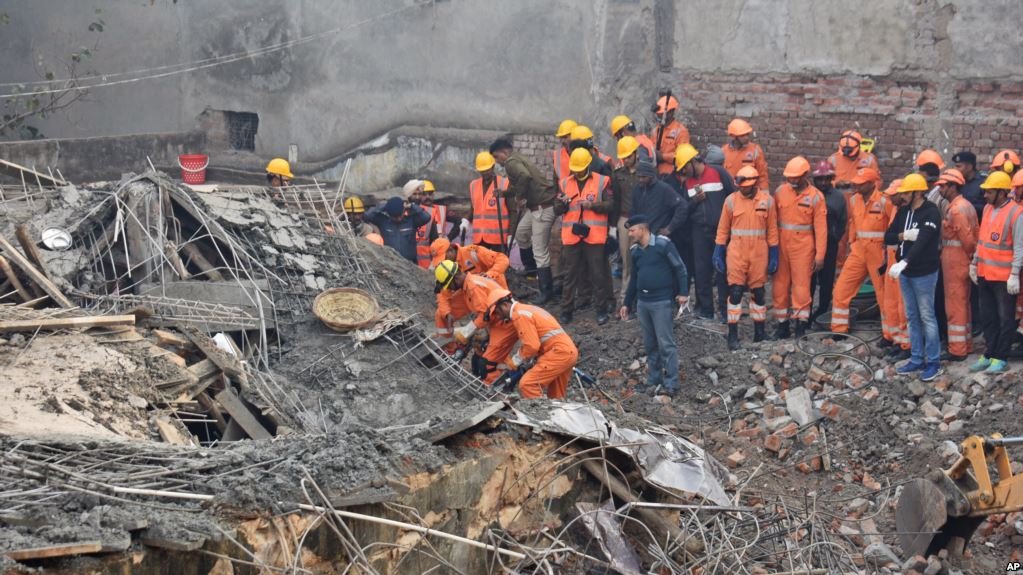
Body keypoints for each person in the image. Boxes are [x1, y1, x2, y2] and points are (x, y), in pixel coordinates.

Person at [619, 215, 689, 397]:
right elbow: (634, 278)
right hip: (643, 303)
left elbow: (680, 268)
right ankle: (654, 380)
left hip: (662, 302)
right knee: (650, 344)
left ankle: (672, 383)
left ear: (642, 229)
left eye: (632, 230)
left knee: (666, 344)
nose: (630, 234)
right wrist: (627, 303)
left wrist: (683, 293)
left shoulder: (663, 245)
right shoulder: (635, 251)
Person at [885, 174, 943, 381]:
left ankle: (934, 361)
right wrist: (903, 236)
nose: (903, 196)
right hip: (906, 273)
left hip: (924, 272)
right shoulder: (903, 212)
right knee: (912, 316)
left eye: (906, 193)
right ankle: (917, 358)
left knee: (927, 316)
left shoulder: (931, 212)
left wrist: (906, 260)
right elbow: (888, 236)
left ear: (917, 192)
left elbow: (924, 241)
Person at [715, 166, 779, 350]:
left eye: (746, 186)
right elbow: (723, 229)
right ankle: (732, 335)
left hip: (759, 252)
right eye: (740, 186)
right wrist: (719, 250)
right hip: (737, 251)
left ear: (754, 184)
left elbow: (772, 230)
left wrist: (774, 254)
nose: (742, 189)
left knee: (758, 293)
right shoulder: (731, 201)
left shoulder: (767, 202)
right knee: (734, 292)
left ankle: (759, 333)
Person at [671, 143, 734, 322]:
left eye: (685, 168)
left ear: (693, 162)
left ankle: (725, 310)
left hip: (721, 230)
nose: (683, 172)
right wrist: (695, 202)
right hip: (699, 231)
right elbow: (684, 209)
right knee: (701, 271)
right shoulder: (687, 183)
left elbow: (733, 196)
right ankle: (706, 309)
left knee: (723, 271)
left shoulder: (718, 173)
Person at [969, 171, 1023, 374]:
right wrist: (974, 263)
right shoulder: (988, 210)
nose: (985, 196)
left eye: (989, 192)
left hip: (1003, 278)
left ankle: (1001, 357)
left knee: (1005, 319)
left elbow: (1019, 247)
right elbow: (982, 241)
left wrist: (1014, 274)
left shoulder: (1016, 213)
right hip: (985, 274)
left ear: (1002, 192)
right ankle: (989, 353)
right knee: (988, 317)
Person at [490, 138, 556, 299]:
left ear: (504, 152)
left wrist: (520, 198)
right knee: (521, 233)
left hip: (543, 208)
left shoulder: (511, 163)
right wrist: (505, 193)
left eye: (497, 157)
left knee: (540, 250)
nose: (497, 163)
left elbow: (524, 177)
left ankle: (546, 291)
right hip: (535, 208)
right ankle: (531, 271)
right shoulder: (517, 159)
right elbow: (520, 181)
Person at [555, 148, 614, 325]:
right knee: (570, 275)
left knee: (597, 274)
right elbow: (557, 209)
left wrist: (593, 205)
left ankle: (601, 309)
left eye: (579, 168)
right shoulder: (565, 183)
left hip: (594, 236)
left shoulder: (602, 181)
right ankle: (566, 310)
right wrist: (562, 204)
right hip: (572, 236)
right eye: (574, 168)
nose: (576, 171)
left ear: (588, 165)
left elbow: (610, 205)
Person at [434, 261, 518, 384]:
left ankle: (497, 389)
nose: (450, 289)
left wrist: (466, 331)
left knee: (489, 361)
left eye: (449, 286)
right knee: (482, 348)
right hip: (498, 319)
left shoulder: (473, 287)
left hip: (505, 322)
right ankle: (499, 377)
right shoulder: (468, 285)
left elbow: (486, 315)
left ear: (456, 278)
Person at [830, 167, 891, 334]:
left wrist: (888, 252)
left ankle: (889, 335)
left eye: (861, 184)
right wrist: (852, 242)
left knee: (883, 295)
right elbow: (853, 223)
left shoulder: (885, 202)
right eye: (856, 183)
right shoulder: (854, 200)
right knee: (841, 290)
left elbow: (893, 226)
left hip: (878, 252)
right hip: (858, 251)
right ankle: (839, 330)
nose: (857, 187)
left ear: (872, 184)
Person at [772, 156, 827, 339]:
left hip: (803, 247)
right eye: (790, 178)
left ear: (805, 175)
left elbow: (821, 229)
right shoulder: (780, 192)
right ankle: (782, 324)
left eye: (796, 177)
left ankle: (800, 325)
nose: (792, 181)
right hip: (781, 246)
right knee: (780, 286)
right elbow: (772, 221)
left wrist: (820, 256)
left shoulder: (816, 197)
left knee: (801, 287)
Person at [488, 291, 578, 400]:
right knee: (556, 396)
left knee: (528, 384)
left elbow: (531, 346)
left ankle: (542, 415)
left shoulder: (519, 315)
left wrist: (515, 361)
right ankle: (557, 415)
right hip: (567, 352)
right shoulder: (528, 309)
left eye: (498, 312)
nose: (498, 316)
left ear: (505, 305)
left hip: (558, 353)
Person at [935, 168, 978, 361]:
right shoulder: (965, 205)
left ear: (953, 186)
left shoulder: (956, 209)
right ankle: (965, 344)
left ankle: (957, 349)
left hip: (956, 261)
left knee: (955, 306)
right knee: (963, 304)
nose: (940, 190)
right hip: (959, 260)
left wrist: (969, 258)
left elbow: (967, 240)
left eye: (943, 186)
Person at [809, 161, 846, 321]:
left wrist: (834, 237)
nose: (823, 182)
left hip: (830, 245)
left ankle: (823, 310)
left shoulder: (838, 197)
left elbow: (843, 221)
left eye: (826, 179)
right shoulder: (809, 194)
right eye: (820, 179)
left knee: (827, 279)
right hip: (809, 244)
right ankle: (806, 311)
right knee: (808, 280)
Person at [880, 179, 911, 360]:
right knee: (890, 302)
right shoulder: (896, 210)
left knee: (903, 306)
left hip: (901, 261)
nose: (890, 198)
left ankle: (907, 343)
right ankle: (895, 339)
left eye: (894, 195)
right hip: (892, 260)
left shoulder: (907, 212)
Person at [363, 196, 432, 264]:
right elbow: (366, 216)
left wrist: (412, 206)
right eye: (395, 217)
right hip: (392, 264)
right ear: (389, 214)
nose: (398, 219)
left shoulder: (411, 221)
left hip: (411, 264)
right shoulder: (383, 221)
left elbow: (426, 217)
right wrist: (385, 205)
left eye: (400, 215)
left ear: (404, 210)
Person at [469, 151, 513, 253]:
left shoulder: (504, 183)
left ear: (493, 167)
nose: (484, 173)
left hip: (498, 239)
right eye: (482, 171)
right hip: (479, 238)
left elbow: (512, 211)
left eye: (487, 170)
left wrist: (511, 234)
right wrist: (466, 221)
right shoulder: (473, 185)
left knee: (499, 266)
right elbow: (473, 208)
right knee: (480, 266)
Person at [429, 238, 509, 289]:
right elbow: (445, 290)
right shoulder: (447, 266)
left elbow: (502, 259)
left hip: (497, 291)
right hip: (475, 297)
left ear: (450, 250)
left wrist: (489, 275)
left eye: (443, 258)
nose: (443, 262)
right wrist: (445, 311)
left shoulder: (472, 252)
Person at [722, 119, 770, 192]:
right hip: (729, 193)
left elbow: (762, 175)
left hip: (749, 193)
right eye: (743, 135)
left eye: (747, 134)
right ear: (734, 136)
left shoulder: (755, 150)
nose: (746, 137)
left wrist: (764, 193)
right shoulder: (723, 151)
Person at [650, 95, 691, 175]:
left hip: (673, 175)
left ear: (671, 113)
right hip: (656, 175)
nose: (658, 116)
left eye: (661, 114)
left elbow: (683, 156)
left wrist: (663, 157)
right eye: (658, 114)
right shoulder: (655, 131)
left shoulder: (681, 131)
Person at [404, 179, 438, 268]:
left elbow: (434, 240)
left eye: (419, 194)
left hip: (425, 265)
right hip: (405, 263)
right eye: (414, 194)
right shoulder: (401, 213)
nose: (417, 197)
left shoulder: (429, 212)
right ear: (408, 196)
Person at [953, 151, 986, 221]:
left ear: (969, 167)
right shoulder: (957, 182)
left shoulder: (983, 182)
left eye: (958, 166)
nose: (956, 170)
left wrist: (966, 208)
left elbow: (988, 207)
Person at [552, 119, 578, 185]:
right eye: (561, 138)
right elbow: (555, 181)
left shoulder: (585, 155)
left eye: (565, 137)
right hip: (563, 193)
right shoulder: (557, 156)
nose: (563, 141)